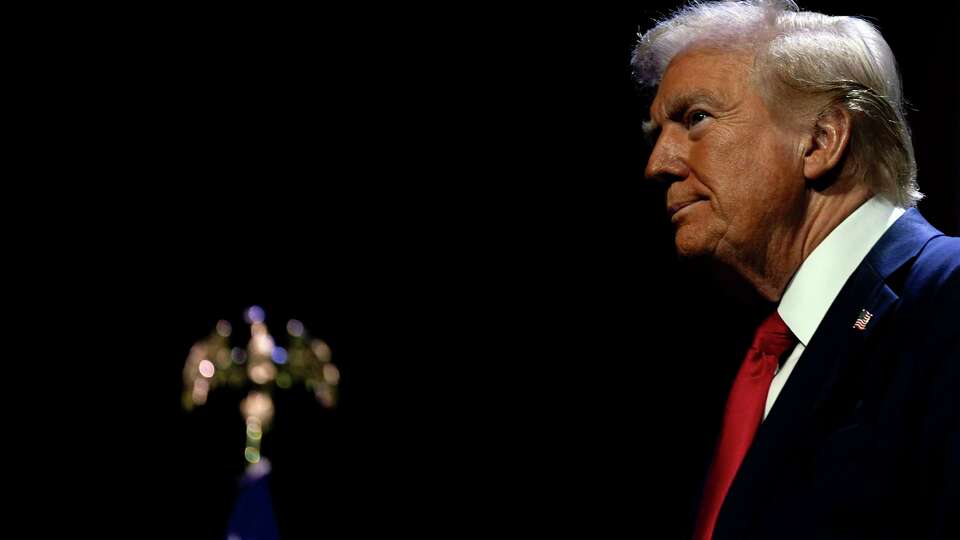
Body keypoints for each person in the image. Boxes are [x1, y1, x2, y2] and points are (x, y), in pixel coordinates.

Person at [632, 1, 959, 538]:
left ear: (821, 140)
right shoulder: (750, 355)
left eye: (696, 118)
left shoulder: (946, 299)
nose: (658, 162)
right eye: (656, 133)